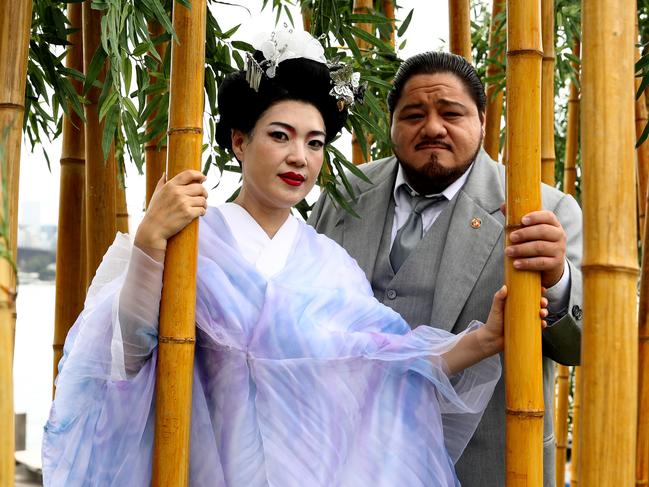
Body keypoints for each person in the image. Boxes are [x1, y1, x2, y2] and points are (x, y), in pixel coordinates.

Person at [42, 31, 546, 486]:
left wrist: (485, 339)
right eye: (279, 136)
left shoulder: (331, 263)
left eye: (315, 143)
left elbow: (391, 366)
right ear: (239, 141)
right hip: (196, 467)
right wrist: (150, 241)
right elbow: (127, 356)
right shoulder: (193, 239)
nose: (298, 158)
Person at [308, 51, 583, 487]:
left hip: (486, 466)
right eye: (414, 114)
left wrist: (557, 280)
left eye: (451, 113)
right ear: (391, 121)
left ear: (482, 120)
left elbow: (582, 347)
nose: (433, 127)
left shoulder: (542, 208)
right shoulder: (342, 194)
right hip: (345, 460)